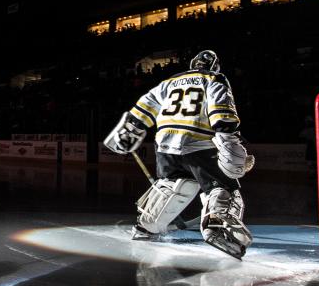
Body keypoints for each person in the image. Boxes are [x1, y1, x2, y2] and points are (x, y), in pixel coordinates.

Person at [103, 50, 254, 258]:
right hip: (198, 142)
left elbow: (145, 106)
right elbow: (221, 111)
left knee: (172, 185)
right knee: (222, 185)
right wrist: (229, 140)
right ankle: (217, 225)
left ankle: (146, 226)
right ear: (215, 66)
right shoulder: (214, 78)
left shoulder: (169, 82)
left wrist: (130, 131)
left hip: (165, 144)